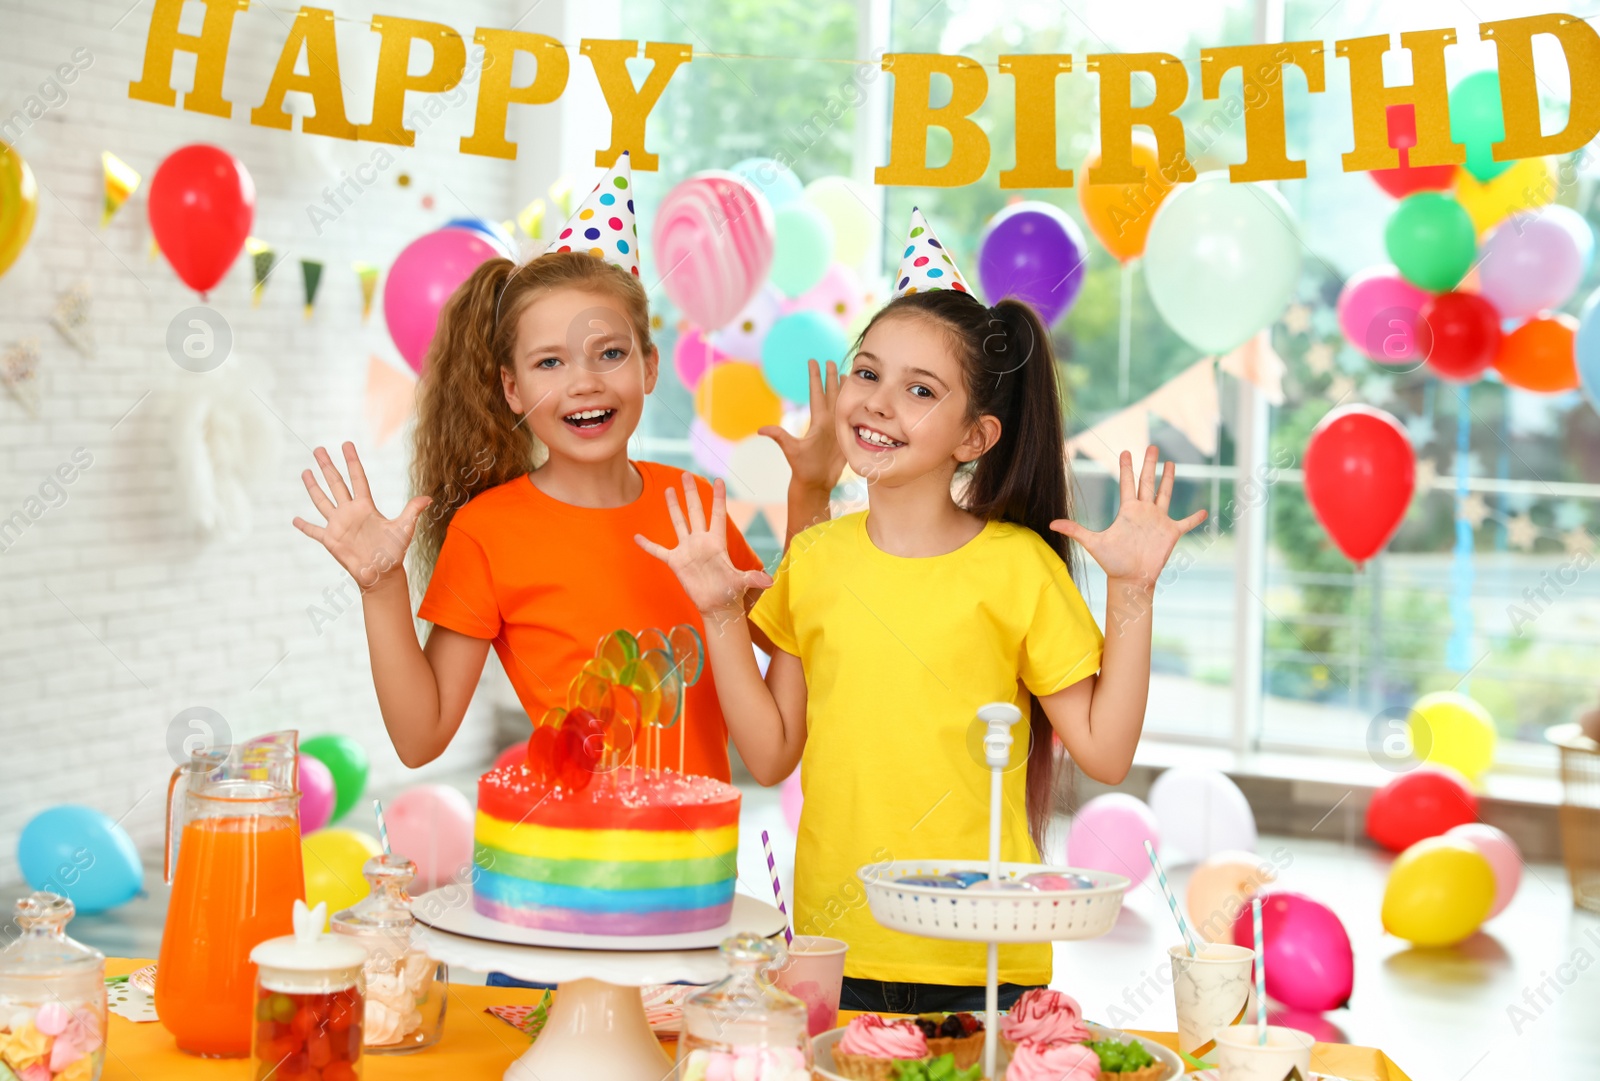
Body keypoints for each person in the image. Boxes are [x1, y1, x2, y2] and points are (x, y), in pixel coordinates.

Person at [638, 210, 1206, 1013]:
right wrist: (718, 614)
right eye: (867, 373)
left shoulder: (1017, 567)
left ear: (974, 437)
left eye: (921, 390)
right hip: (835, 945)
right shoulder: (817, 558)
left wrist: (1133, 595)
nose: (878, 403)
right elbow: (769, 755)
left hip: (987, 953)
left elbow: (1106, 752)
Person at [291, 153, 841, 783]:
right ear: (512, 389)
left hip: (695, 871)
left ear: (649, 368)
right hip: (565, 870)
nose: (584, 382)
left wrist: (812, 497)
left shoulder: (693, 506)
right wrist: (381, 589)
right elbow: (420, 739)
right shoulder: (488, 532)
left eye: (609, 353)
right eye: (549, 363)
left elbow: (773, 749)